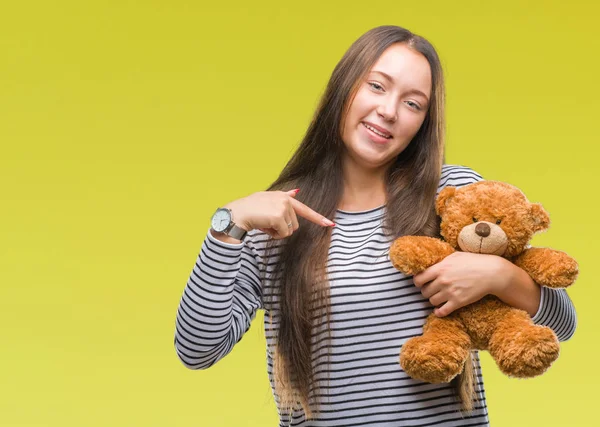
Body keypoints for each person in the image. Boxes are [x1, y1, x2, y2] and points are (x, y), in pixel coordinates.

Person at [174, 25, 577, 426]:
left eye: (413, 104)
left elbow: (562, 324)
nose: (389, 111)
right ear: (344, 88)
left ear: (422, 123)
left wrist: (497, 274)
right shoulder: (278, 217)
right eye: (377, 86)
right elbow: (196, 350)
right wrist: (229, 223)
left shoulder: (452, 196)